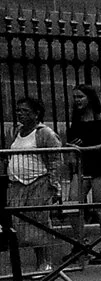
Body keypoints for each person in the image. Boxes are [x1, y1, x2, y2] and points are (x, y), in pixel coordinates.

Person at [6, 95, 70, 270]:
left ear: (36, 114)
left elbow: (56, 160)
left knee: (39, 222)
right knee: (21, 224)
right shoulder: (14, 132)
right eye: (18, 110)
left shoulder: (45, 133)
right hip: (17, 184)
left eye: (25, 111)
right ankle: (32, 261)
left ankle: (45, 262)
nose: (20, 114)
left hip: (38, 183)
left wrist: (54, 185)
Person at [61, 83, 101, 264]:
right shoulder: (76, 119)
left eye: (80, 97)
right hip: (81, 165)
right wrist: (72, 150)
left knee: (100, 208)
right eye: (75, 97)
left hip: (100, 165)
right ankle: (80, 244)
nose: (77, 101)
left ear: (90, 98)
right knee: (72, 204)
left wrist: (81, 148)